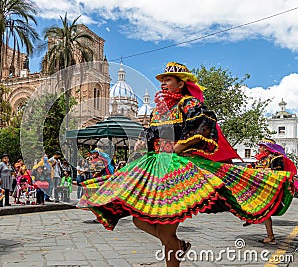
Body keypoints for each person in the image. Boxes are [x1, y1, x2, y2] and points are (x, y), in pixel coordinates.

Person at [78, 62, 294, 267]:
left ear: (181, 84)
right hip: (155, 168)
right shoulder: (158, 111)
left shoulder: (189, 104)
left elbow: (203, 131)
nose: (163, 83)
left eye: (168, 80)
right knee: (139, 220)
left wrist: (177, 149)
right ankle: (179, 246)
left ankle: (175, 249)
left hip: (178, 170)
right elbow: (152, 137)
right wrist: (143, 146)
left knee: (167, 232)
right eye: (162, 80)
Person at [243, 138, 296, 245]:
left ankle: (270, 236)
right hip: (260, 189)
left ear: (267, 148)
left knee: (265, 212)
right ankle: (253, 218)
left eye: (261, 146)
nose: (259, 148)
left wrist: (261, 171)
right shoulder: (260, 160)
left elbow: (278, 173)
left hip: (271, 190)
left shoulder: (276, 159)